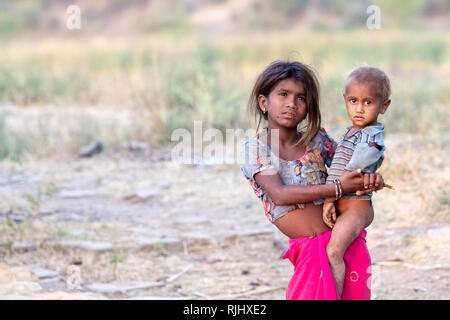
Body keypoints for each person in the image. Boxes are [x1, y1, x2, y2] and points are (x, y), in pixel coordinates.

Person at [240, 60, 384, 300]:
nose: (291, 103)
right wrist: (337, 188)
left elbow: (349, 167)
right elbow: (279, 194)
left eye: (301, 98)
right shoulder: (255, 149)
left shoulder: (316, 140)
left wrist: (369, 178)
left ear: (309, 106)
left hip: (343, 240)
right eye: (283, 94)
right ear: (264, 102)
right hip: (308, 249)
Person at [322, 66, 391, 298]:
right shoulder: (353, 131)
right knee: (338, 253)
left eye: (368, 102)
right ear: (345, 99)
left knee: (333, 252)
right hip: (345, 203)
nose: (359, 109)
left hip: (355, 208)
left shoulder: (371, 138)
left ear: (384, 106)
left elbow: (352, 172)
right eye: (353, 101)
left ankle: (335, 295)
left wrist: (330, 198)